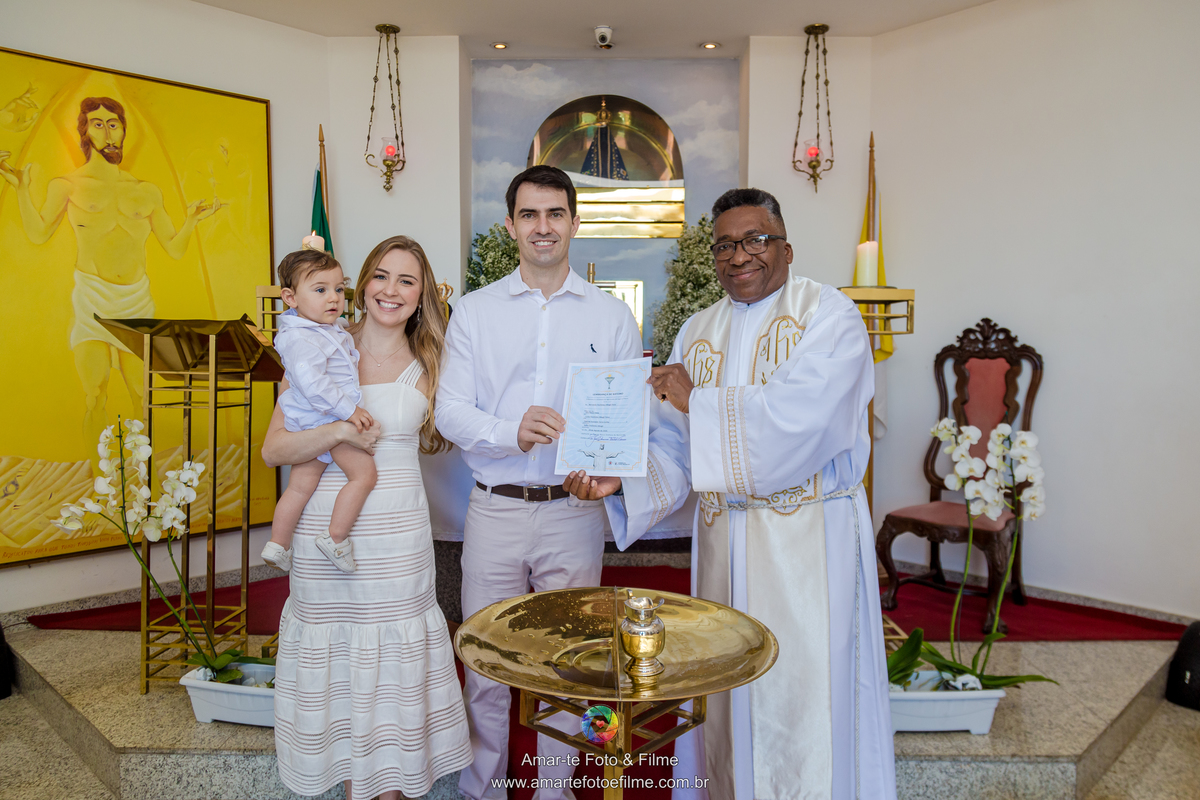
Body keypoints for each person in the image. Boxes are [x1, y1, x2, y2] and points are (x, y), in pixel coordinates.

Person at [564, 188, 898, 800]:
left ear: (786, 247)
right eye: (725, 245)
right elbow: (671, 442)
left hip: (806, 548)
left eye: (755, 240)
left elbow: (803, 424)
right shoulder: (699, 330)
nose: (740, 255)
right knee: (726, 701)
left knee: (802, 696)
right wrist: (622, 477)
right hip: (723, 545)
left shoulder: (829, 316)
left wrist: (700, 400)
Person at [436, 165, 642, 800]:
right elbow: (449, 410)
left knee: (568, 663)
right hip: (496, 509)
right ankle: (482, 790)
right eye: (530, 215)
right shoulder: (474, 312)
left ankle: (553, 790)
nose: (543, 227)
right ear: (511, 226)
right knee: (488, 661)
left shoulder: (611, 316)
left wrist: (606, 467)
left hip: (572, 514)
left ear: (575, 224)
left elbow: (626, 416)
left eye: (555, 214)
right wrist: (510, 430)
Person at [263, 236, 473, 800]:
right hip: (325, 536)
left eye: (407, 280)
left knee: (393, 686)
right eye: (381, 276)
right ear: (361, 282)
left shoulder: (436, 360)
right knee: (340, 676)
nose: (391, 290)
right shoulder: (320, 347)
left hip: (398, 540)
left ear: (423, 292)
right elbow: (274, 452)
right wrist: (334, 432)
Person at [0, 97, 221, 466]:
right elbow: (38, 234)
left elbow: (174, 248)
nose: (108, 131)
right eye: (98, 124)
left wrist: (191, 223)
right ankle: (98, 481)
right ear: (84, 132)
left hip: (136, 303)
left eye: (114, 123)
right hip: (91, 300)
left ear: (123, 131)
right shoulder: (68, 185)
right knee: (95, 393)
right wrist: (23, 189)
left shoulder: (147, 191)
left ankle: (141, 476)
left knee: (141, 392)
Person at [261, 249, 377, 574]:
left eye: (339, 289)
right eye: (320, 289)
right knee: (364, 474)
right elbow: (313, 383)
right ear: (290, 297)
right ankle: (335, 537)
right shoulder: (302, 339)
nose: (334, 298)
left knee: (299, 487)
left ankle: (278, 544)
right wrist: (349, 411)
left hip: (309, 423)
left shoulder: (320, 330)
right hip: (327, 420)